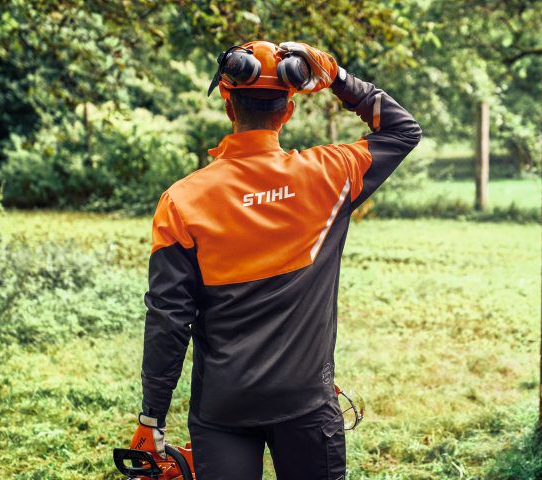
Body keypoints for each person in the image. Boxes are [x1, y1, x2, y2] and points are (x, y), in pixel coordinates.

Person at [135, 40, 421, 479]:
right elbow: (403, 131)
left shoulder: (182, 201)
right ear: (287, 111)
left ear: (228, 106)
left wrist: (152, 417)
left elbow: (168, 318)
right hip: (306, 403)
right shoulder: (330, 175)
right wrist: (338, 78)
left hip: (223, 409)